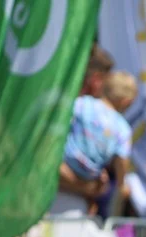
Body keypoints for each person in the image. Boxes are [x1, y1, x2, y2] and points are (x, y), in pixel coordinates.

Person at [52, 71, 137, 217]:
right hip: (88, 175)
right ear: (126, 101)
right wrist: (122, 185)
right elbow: (122, 161)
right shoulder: (122, 128)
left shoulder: (83, 103)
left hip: (65, 163)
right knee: (101, 188)